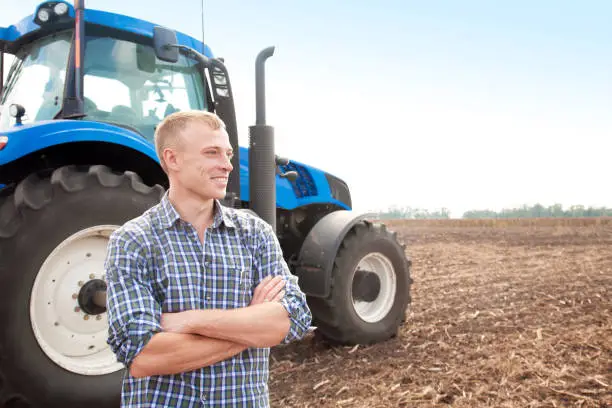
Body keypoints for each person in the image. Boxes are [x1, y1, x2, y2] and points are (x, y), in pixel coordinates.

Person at [104, 110, 313, 407]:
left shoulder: (255, 234)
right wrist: (251, 327)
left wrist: (189, 321)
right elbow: (143, 355)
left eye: (227, 153)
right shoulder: (134, 241)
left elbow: (292, 318)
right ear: (173, 159)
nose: (227, 165)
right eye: (212, 153)